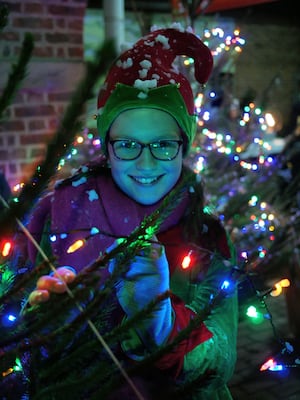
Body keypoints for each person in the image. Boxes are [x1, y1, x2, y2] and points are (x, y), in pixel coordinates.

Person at [24, 26, 238, 399]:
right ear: (107, 147)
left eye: (163, 144)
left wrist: (160, 325)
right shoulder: (54, 221)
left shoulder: (203, 237)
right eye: (127, 144)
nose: (145, 162)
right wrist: (41, 328)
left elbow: (221, 359)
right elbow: (17, 347)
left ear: (183, 146)